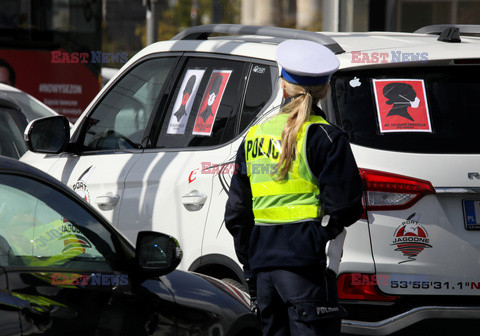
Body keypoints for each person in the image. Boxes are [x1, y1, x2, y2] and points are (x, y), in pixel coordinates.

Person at [225, 39, 363, 336]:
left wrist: (253, 263)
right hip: (306, 269)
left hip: (263, 270)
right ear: (325, 89)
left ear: (283, 86)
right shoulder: (327, 138)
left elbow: (237, 213)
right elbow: (346, 206)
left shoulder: (253, 137)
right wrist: (318, 237)